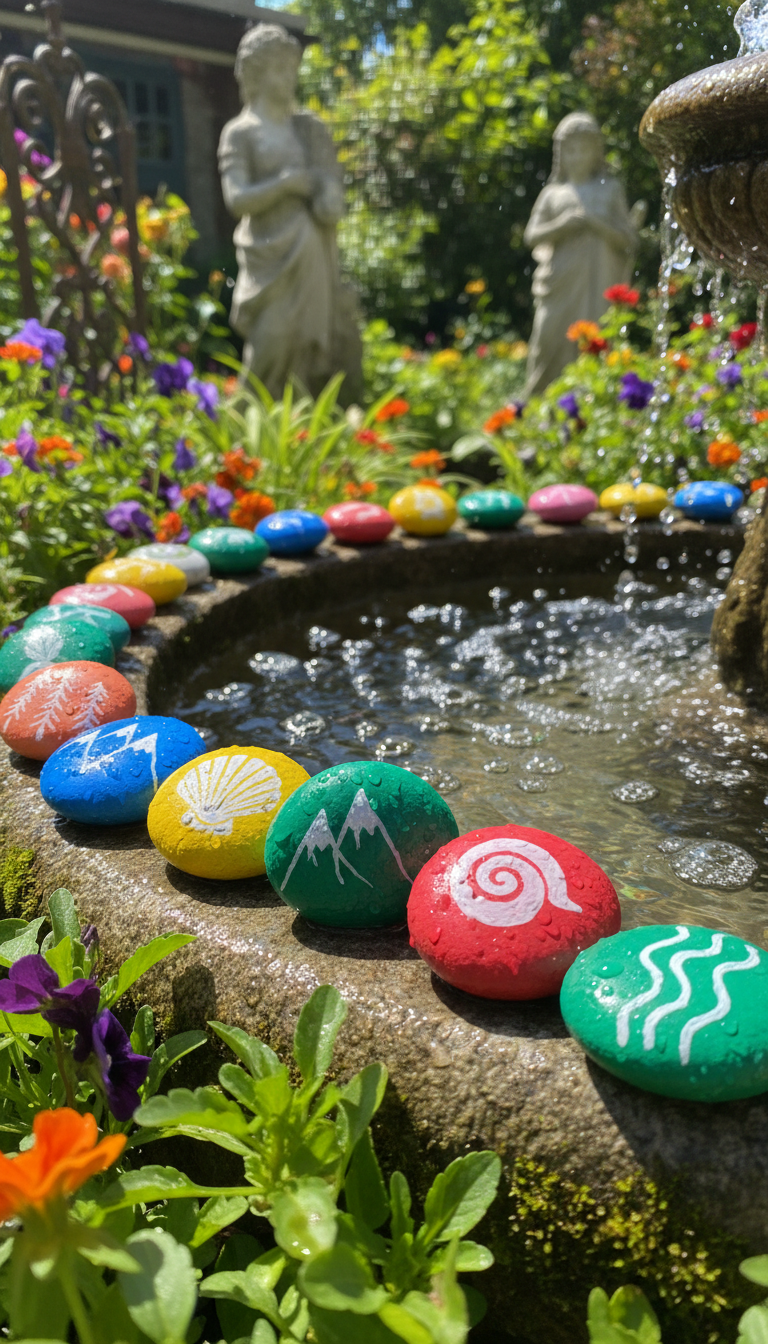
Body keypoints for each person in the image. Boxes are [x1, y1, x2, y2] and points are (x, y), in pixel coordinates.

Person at [218, 24, 363, 401]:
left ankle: (300, 434)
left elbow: (328, 178)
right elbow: (236, 199)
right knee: (272, 339)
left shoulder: (306, 128)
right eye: (279, 70)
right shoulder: (240, 133)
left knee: (307, 345)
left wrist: (327, 193)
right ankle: (247, 429)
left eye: (291, 70)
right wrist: (285, 185)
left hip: (310, 251)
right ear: (257, 74)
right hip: (269, 254)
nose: (289, 79)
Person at [524, 112, 642, 398]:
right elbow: (531, 236)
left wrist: (597, 225)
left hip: (599, 282)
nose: (577, 156)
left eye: (584, 149)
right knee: (546, 341)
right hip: (560, 281)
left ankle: (592, 410)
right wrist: (561, 226)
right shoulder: (552, 194)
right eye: (571, 150)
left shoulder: (611, 189)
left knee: (596, 343)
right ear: (560, 155)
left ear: (597, 152)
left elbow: (629, 241)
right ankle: (538, 411)